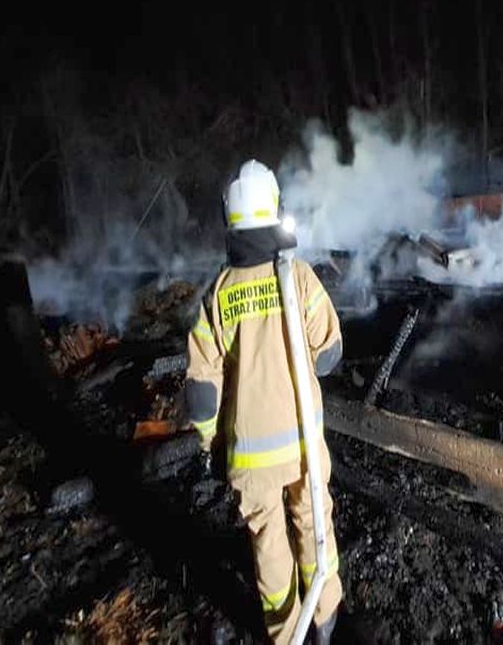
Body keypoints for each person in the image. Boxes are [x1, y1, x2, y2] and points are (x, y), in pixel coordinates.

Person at [185, 159, 344, 644]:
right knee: (314, 525)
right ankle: (326, 618)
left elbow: (201, 393)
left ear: (229, 218)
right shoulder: (299, 278)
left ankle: (286, 631)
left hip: (251, 456)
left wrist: (212, 445)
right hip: (303, 447)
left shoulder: (218, 295)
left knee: (268, 544)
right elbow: (330, 354)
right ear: (276, 209)